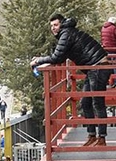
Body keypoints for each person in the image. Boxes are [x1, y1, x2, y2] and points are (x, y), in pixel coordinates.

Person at [30, 14, 111, 146]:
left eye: (55, 25)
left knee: (97, 103)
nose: (53, 28)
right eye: (51, 26)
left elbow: (57, 57)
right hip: (94, 68)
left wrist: (38, 60)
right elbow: (61, 56)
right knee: (85, 103)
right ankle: (92, 135)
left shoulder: (66, 34)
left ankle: (101, 138)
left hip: (98, 67)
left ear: (61, 24)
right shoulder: (67, 32)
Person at [100, 16, 116, 89]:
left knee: (110, 67)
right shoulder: (114, 28)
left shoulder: (103, 28)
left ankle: (112, 83)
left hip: (107, 50)